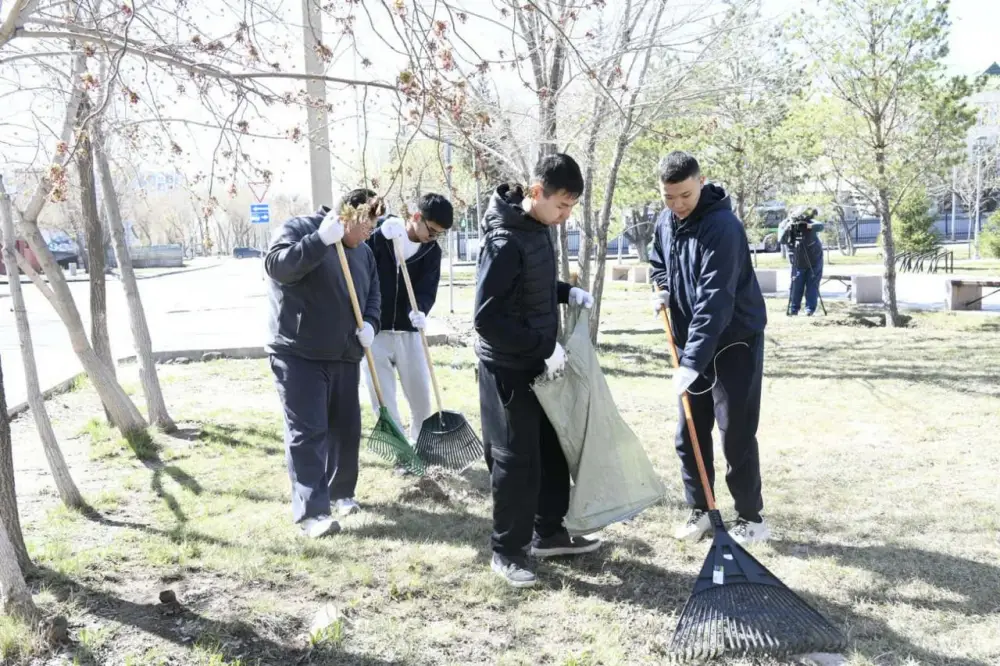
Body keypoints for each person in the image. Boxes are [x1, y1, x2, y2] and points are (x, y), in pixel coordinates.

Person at [474, 153, 600, 589]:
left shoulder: (539, 229)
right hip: (507, 368)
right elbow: (488, 318)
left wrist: (566, 293)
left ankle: (549, 532)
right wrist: (542, 347)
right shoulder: (503, 241)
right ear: (535, 192)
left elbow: (532, 288)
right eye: (561, 206)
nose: (565, 216)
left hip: (538, 363)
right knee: (515, 458)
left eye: (571, 208)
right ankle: (507, 550)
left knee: (549, 449)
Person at [648, 151, 771, 546]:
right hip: (692, 340)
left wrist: (693, 361)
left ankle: (751, 519)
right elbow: (659, 259)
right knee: (690, 432)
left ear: (701, 182)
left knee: (734, 431)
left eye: (684, 195)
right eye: (669, 197)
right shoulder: (667, 221)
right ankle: (701, 509)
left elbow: (714, 301)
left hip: (734, 340)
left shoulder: (724, 228)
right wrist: (662, 285)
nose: (677, 205)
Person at [264, 189, 383, 538]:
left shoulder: (363, 252)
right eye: (368, 223)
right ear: (350, 214)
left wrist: (372, 324)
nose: (371, 232)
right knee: (308, 432)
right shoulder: (300, 229)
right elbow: (278, 268)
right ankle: (312, 512)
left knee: (346, 431)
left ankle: (341, 491)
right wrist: (318, 242)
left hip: (345, 352)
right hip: (299, 352)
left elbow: (372, 292)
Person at [362, 193, 453, 450]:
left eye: (439, 234)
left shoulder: (432, 252)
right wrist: (379, 234)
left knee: (422, 398)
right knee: (383, 400)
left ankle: (421, 447)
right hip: (375, 331)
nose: (433, 237)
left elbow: (427, 289)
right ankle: (399, 451)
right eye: (432, 231)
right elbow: (361, 263)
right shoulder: (382, 237)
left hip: (409, 333)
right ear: (416, 217)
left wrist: (421, 311)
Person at [779, 207, 825, 316]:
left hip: (814, 259)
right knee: (796, 284)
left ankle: (810, 310)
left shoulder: (809, 222)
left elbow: (820, 226)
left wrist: (807, 226)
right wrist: (789, 227)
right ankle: (793, 309)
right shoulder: (785, 224)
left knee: (812, 284)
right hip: (797, 260)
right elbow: (781, 239)